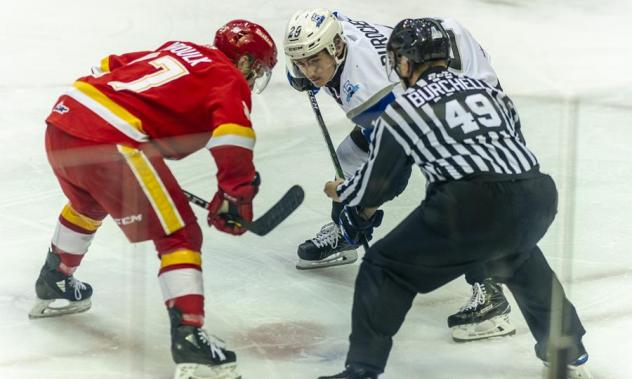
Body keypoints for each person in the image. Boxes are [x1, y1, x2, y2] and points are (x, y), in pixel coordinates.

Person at [319, 18, 591, 379]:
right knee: (517, 255)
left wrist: (342, 191)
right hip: (536, 193)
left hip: (469, 202)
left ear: (402, 62)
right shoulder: (490, 92)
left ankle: (362, 369)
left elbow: (376, 187)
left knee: (382, 268)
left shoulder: (403, 107)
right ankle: (568, 350)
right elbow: (514, 148)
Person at [29, 19, 277, 379]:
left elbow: (107, 65)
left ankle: (56, 278)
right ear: (245, 63)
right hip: (111, 141)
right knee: (180, 235)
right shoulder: (230, 79)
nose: (253, 77)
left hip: (65, 119)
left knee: (89, 203)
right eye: (255, 69)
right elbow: (234, 137)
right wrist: (235, 195)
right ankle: (190, 338)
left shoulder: (180, 49)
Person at [284, 8, 514, 342]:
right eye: (301, 62)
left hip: (468, 88)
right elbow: (332, 15)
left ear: (335, 47)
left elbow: (393, 167)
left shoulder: (366, 90)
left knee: (460, 191)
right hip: (430, 71)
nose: (309, 71)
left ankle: (491, 294)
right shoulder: (337, 35)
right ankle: (345, 236)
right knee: (351, 155)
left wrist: (362, 210)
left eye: (314, 60)